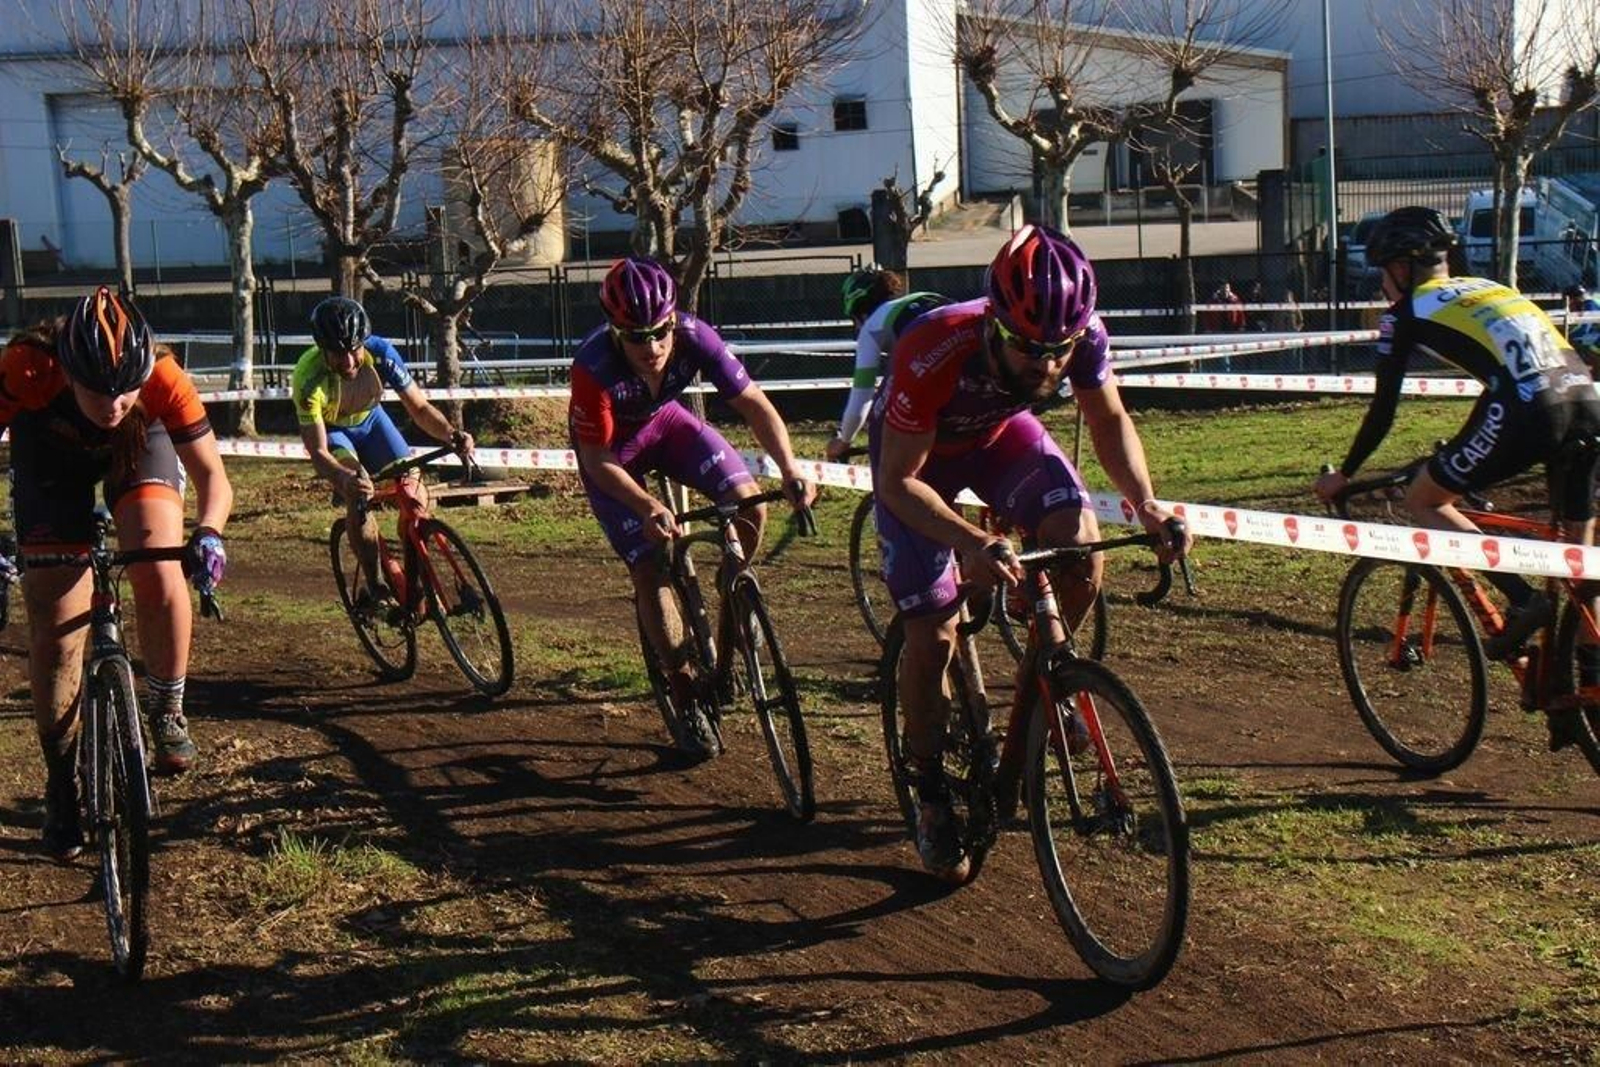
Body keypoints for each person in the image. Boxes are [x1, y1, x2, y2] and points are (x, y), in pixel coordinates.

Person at [872, 224, 1189, 881]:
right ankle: (928, 784)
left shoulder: (1083, 335)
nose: (1047, 365)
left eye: (1059, 350)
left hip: (995, 438)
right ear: (994, 322)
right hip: (916, 464)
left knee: (1081, 549)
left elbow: (1107, 420)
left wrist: (1148, 502)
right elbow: (898, 482)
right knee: (933, 631)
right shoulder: (935, 347)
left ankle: (1042, 687)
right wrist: (970, 541)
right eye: (1029, 349)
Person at [1314, 209, 1600, 745]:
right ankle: (1583, 693)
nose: (1381, 284)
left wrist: (1345, 474)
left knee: (1426, 498)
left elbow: (1383, 409)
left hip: (1532, 408)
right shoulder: (1491, 288)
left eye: (1382, 271)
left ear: (1402, 267)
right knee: (1579, 565)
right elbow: (1513, 370)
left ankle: (1520, 599)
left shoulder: (1406, 312)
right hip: (1586, 400)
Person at [0, 287, 233, 860]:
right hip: (49, 456)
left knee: (159, 565)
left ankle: (168, 707)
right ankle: (62, 783)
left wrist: (210, 533)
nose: (112, 403)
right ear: (67, 368)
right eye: (97, 390)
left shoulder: (162, 378)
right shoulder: (28, 365)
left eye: (125, 388)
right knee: (55, 619)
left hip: (138, 449)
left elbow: (213, 479)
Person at [568, 257, 816, 760]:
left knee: (749, 504)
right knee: (650, 564)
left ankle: (733, 605)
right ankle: (684, 692)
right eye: (636, 337)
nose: (653, 347)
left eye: (660, 332)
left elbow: (754, 404)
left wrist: (789, 467)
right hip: (615, 459)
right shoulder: (592, 367)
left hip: (667, 426)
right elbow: (594, 459)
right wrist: (645, 504)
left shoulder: (695, 335)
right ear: (615, 331)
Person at [293, 297, 475, 611]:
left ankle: (414, 580)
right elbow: (319, 450)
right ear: (323, 349)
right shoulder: (307, 378)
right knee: (359, 490)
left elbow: (419, 408)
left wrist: (451, 434)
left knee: (413, 494)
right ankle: (376, 585)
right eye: (339, 354)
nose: (349, 362)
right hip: (336, 433)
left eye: (354, 350)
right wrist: (343, 477)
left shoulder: (381, 353)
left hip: (373, 423)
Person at [824, 265, 951, 462]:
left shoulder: (872, 326)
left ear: (859, 312)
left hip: (934, 370)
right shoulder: (924, 295)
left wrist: (844, 441)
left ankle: (888, 486)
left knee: (881, 411)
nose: (857, 327)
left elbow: (862, 395)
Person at [1563, 283, 1600, 372]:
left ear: (1573, 299)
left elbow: (1584, 328)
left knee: (1579, 344)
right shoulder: (1592, 300)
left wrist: (1566, 336)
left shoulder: (1589, 304)